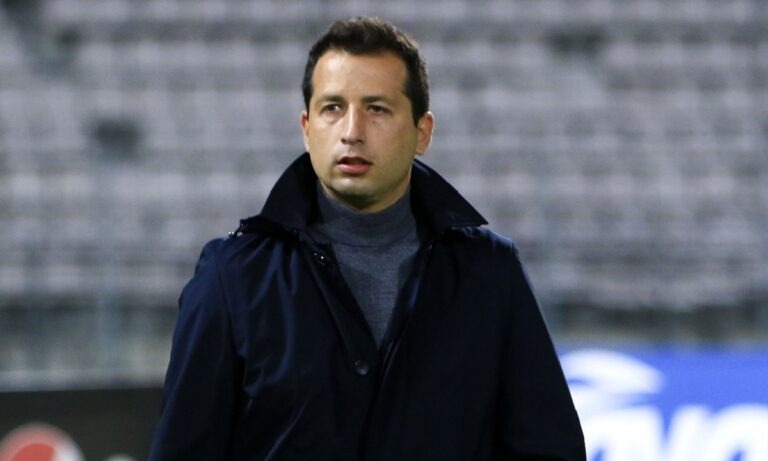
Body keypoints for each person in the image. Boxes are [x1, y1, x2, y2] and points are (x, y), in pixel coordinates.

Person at [148, 16, 585, 461]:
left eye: (376, 109)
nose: (352, 131)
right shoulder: (233, 277)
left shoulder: (489, 272)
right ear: (307, 128)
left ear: (422, 132)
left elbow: (549, 450)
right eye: (332, 108)